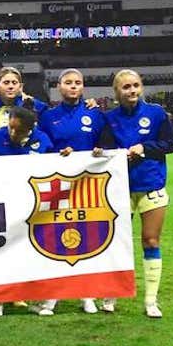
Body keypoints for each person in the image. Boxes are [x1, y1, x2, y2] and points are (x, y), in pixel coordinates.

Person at [96, 69, 173, 319]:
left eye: (135, 86)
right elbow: (105, 148)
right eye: (126, 87)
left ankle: (151, 301)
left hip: (152, 185)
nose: (132, 91)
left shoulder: (156, 113)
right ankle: (112, 293)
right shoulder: (109, 118)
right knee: (117, 242)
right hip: (120, 188)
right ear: (117, 92)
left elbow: (168, 145)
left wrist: (144, 147)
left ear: (141, 88)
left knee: (151, 240)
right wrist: (102, 151)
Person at [37, 68, 107, 316]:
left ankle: (87, 295)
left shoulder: (95, 113)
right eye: (68, 82)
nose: (74, 86)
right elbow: (41, 148)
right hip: (58, 187)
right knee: (56, 239)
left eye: (78, 82)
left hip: (89, 186)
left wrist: (100, 151)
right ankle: (53, 296)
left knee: (87, 239)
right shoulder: (48, 116)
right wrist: (57, 155)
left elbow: (107, 145)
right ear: (59, 86)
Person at [0, 103, 50, 318]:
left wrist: (67, 155)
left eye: (19, 130)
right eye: (11, 128)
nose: (13, 133)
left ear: (30, 128)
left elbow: (56, 165)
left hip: (32, 206)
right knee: (0, 251)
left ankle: (34, 299)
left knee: (31, 252)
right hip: (1, 204)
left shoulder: (42, 140)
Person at [0, 66, 48, 150]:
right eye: (6, 82)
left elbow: (43, 137)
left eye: (14, 83)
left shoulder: (36, 106)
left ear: (20, 86)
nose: (11, 86)